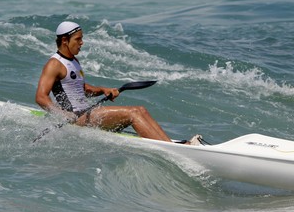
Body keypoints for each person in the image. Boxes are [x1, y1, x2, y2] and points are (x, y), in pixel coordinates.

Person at [36, 21, 191, 143]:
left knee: (141, 110)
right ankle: (169, 147)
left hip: (87, 114)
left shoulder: (73, 60)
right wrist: (63, 115)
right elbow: (41, 97)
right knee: (134, 113)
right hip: (78, 118)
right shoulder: (54, 64)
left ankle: (168, 143)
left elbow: (80, 88)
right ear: (64, 40)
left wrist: (103, 90)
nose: (82, 42)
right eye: (78, 39)